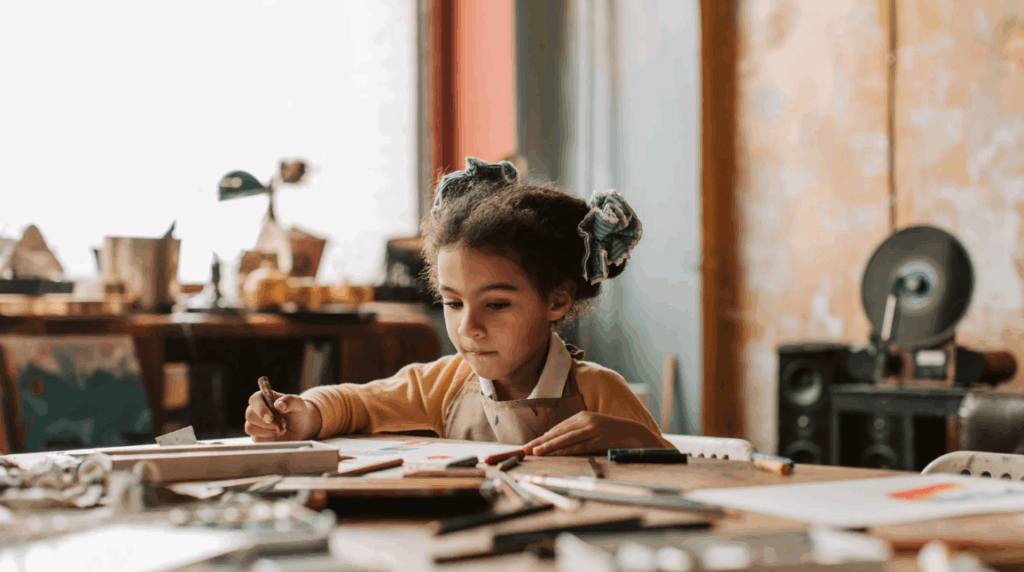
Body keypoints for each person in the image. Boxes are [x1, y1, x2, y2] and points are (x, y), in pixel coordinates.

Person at [244, 157, 674, 455]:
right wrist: (306, 414)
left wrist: (636, 440)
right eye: (452, 302)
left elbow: (681, 477)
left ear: (557, 300)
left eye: (497, 304)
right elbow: (358, 404)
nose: (470, 327)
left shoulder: (599, 392)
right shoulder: (446, 384)